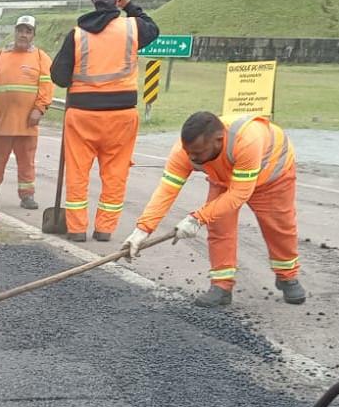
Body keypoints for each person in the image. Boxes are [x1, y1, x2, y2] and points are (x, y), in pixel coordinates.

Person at [122, 111, 305, 307]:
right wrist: (142, 230)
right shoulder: (185, 151)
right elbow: (166, 190)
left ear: (219, 140)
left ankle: (287, 276)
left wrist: (197, 218)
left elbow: (238, 194)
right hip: (226, 176)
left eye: (198, 153)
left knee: (279, 227)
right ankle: (222, 286)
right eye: (189, 152)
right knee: (219, 226)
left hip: (271, 176)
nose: (192, 157)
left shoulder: (246, 141)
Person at [50, 0, 159, 242]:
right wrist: (130, 6)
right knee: (115, 174)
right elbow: (153, 29)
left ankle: (76, 229)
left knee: (77, 173)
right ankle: (104, 229)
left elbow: (59, 77)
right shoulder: (132, 28)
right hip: (121, 116)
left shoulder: (76, 35)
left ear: (91, 1)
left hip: (82, 117)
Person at [0, 15, 54, 210]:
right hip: (1, 122)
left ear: (33, 35)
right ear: (15, 32)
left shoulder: (41, 58)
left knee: (27, 161)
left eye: (28, 31)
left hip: (27, 123)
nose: (23, 34)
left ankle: (27, 196)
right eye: (20, 30)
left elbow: (46, 86)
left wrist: (39, 109)